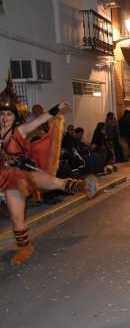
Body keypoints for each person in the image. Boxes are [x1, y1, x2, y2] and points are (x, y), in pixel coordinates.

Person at [0, 75, 97, 266]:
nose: (4, 117)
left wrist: (57, 108)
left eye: (8, 114)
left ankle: (83, 186)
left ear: (15, 116)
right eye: (1, 113)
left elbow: (42, 119)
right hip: (5, 177)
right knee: (16, 216)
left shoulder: (21, 130)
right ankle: (24, 248)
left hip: (21, 173)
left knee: (53, 182)